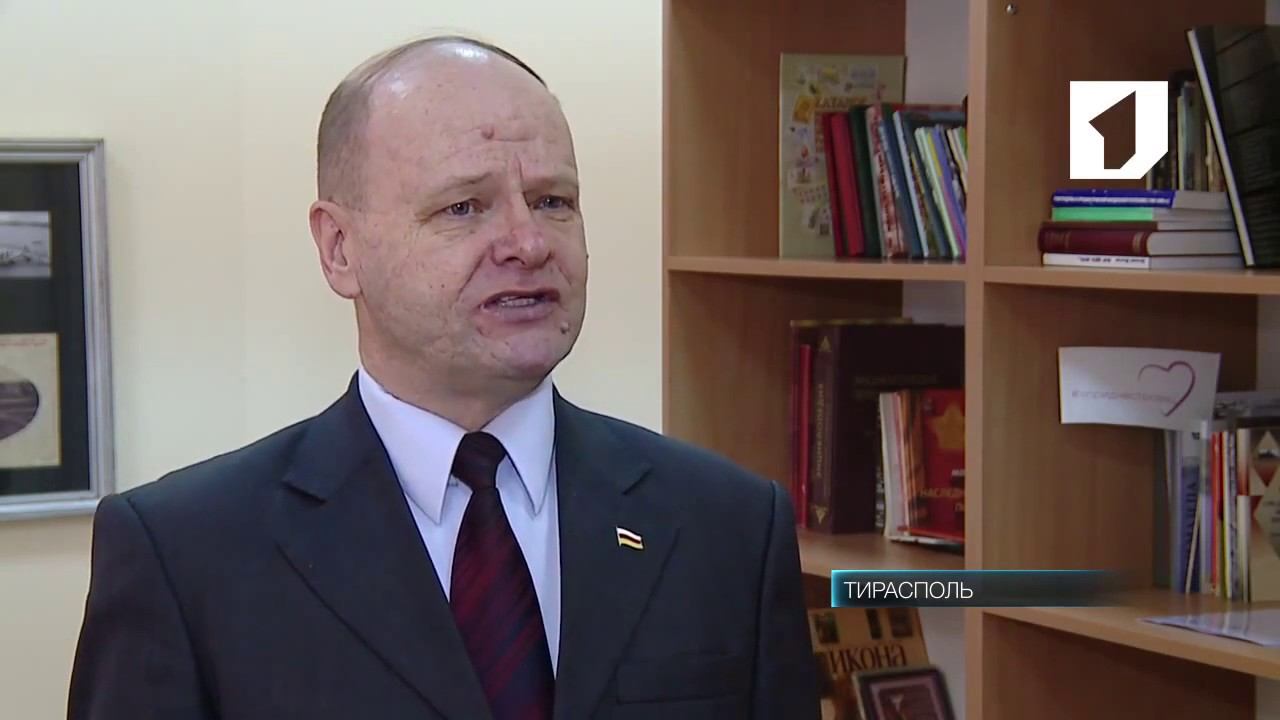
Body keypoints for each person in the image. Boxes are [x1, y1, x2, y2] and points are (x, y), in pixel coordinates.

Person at [67, 35, 820, 720]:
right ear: (340, 249)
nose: (528, 243)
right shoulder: (185, 555)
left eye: (553, 201)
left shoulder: (730, 526)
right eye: (464, 207)